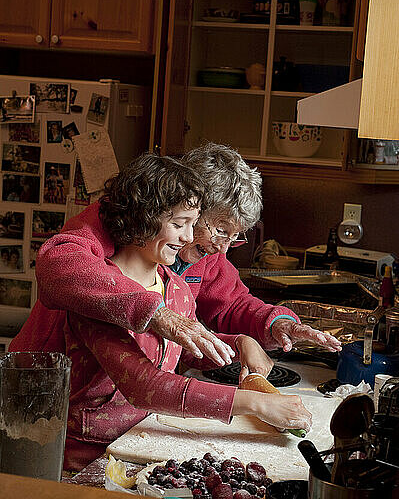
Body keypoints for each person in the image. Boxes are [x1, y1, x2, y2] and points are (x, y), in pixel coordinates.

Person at [15, 154, 312, 470]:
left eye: (194, 224)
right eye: (181, 224)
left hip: (137, 436)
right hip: (66, 434)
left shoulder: (176, 283)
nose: (192, 237)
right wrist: (254, 404)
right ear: (147, 217)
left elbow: (192, 342)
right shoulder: (102, 284)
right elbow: (143, 384)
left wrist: (243, 342)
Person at [11, 144, 340, 371]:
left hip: (119, 403)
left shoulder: (204, 252)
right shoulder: (120, 220)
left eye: (235, 237)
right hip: (47, 377)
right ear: (188, 205)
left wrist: (278, 323)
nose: (223, 249)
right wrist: (158, 314)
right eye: (220, 231)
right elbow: (57, 266)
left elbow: (233, 304)